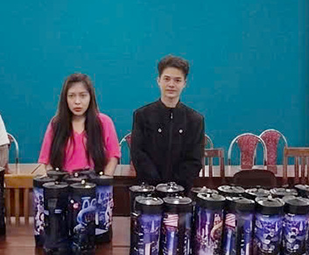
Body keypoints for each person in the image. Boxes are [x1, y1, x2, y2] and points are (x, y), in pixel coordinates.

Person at [131, 55, 204, 191]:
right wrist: (157, 184)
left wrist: (174, 187)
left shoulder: (195, 120)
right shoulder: (142, 115)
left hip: (181, 192)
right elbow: (138, 154)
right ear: (158, 80)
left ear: (184, 83)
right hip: (148, 190)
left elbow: (194, 159)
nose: (171, 84)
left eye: (177, 80)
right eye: (167, 79)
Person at [38, 73, 121, 174]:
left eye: (83, 96)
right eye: (71, 96)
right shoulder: (56, 124)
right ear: (65, 98)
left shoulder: (104, 122)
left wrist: (105, 180)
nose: (77, 102)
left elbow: (113, 158)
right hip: (62, 182)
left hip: (95, 182)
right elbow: (44, 163)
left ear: (90, 97)